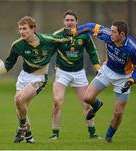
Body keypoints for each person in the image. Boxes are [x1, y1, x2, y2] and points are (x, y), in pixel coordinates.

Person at [0, 16, 70, 143]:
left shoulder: (47, 40)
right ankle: (29, 137)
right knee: (20, 107)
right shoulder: (17, 45)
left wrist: (69, 35)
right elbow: (8, 64)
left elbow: (64, 38)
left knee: (18, 99)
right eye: (20, 29)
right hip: (24, 77)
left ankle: (21, 128)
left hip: (40, 78)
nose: (22, 31)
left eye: (25, 28)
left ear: (33, 29)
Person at [63, 21, 136, 142]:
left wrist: (132, 80)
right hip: (107, 71)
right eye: (110, 30)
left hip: (124, 77)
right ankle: (96, 105)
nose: (110, 33)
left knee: (118, 113)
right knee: (87, 98)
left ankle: (108, 137)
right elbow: (90, 26)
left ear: (122, 34)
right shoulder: (108, 35)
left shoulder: (132, 48)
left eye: (114, 32)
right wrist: (74, 31)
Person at [49, 10, 101, 140]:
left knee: (86, 104)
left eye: (72, 20)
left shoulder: (83, 35)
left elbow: (92, 51)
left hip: (79, 73)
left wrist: (97, 66)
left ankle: (92, 133)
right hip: (62, 72)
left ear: (76, 22)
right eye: (67, 20)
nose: (69, 22)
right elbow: (49, 51)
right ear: (64, 22)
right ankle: (55, 133)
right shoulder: (58, 35)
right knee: (57, 101)